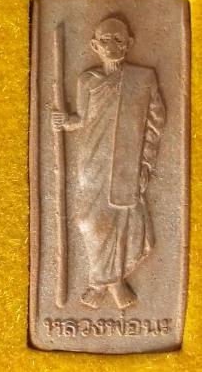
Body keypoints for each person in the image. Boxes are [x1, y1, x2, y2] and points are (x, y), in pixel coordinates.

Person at [52, 17, 165, 309]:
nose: (112, 45)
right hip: (92, 161)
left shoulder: (143, 79)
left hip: (128, 162)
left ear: (129, 43)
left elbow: (155, 124)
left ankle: (104, 284)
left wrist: (145, 165)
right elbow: (80, 120)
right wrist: (63, 121)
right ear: (94, 45)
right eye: (105, 40)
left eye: (118, 40)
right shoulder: (87, 80)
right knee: (89, 222)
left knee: (125, 221)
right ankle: (111, 283)